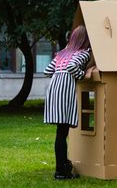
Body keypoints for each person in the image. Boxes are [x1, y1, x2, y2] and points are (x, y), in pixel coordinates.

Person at [43, 25, 96, 180]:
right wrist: (83, 74)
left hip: (54, 88)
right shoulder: (84, 53)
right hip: (65, 90)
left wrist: (60, 72)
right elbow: (73, 67)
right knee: (62, 133)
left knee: (60, 132)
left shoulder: (62, 54)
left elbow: (47, 71)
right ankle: (61, 170)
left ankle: (62, 166)